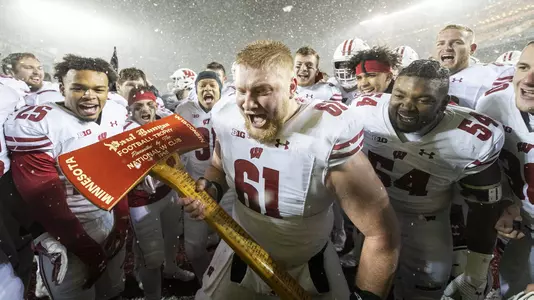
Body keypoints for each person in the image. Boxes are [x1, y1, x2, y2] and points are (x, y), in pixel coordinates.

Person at [181, 40, 400, 300]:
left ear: (292, 87)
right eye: (242, 91)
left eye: (262, 90)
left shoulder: (324, 132)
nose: (248, 104)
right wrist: (212, 189)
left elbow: (381, 234)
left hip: (307, 264)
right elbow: (218, 165)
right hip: (238, 251)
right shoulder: (227, 115)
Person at [351, 60, 505, 299]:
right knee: (367, 288)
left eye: (423, 100)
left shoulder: (473, 137)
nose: (407, 107)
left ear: (444, 104)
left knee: (425, 292)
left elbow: (483, 207)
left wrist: (476, 272)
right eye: (400, 95)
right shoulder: (363, 110)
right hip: (374, 216)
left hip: (426, 222)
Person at [4, 54, 129, 300]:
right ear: (62, 88)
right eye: (79, 88)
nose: (89, 95)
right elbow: (43, 197)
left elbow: (120, 170)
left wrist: (122, 219)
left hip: (107, 215)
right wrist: (82, 246)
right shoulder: (41, 123)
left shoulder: (115, 112)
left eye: (98, 89)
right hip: (66, 230)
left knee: (111, 291)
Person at [475, 41, 534, 298]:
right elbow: (489, 165)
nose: (528, 80)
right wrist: (506, 202)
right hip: (525, 230)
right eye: (523, 67)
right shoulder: (493, 105)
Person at [124, 87, 194, 300]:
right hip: (142, 200)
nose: (145, 110)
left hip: (168, 191)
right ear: (130, 110)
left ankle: (171, 268)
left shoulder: (164, 123)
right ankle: (152, 296)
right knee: (152, 256)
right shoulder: (122, 131)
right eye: (139, 107)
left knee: (172, 237)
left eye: (149, 105)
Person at [175, 71, 231, 282]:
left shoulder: (230, 109)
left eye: (212, 85)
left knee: (232, 243)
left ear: (220, 89)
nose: (207, 89)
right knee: (193, 247)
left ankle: (226, 285)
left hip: (227, 187)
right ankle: (205, 280)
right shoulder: (184, 110)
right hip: (196, 186)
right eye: (203, 86)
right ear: (195, 90)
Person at [434, 24, 514, 108]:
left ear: (472, 49)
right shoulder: (425, 80)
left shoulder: (494, 73)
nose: (447, 48)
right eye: (441, 43)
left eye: (457, 42)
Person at [330, 38, 370, 105]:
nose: (346, 69)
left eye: (351, 64)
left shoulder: (372, 90)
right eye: (341, 64)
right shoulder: (330, 85)